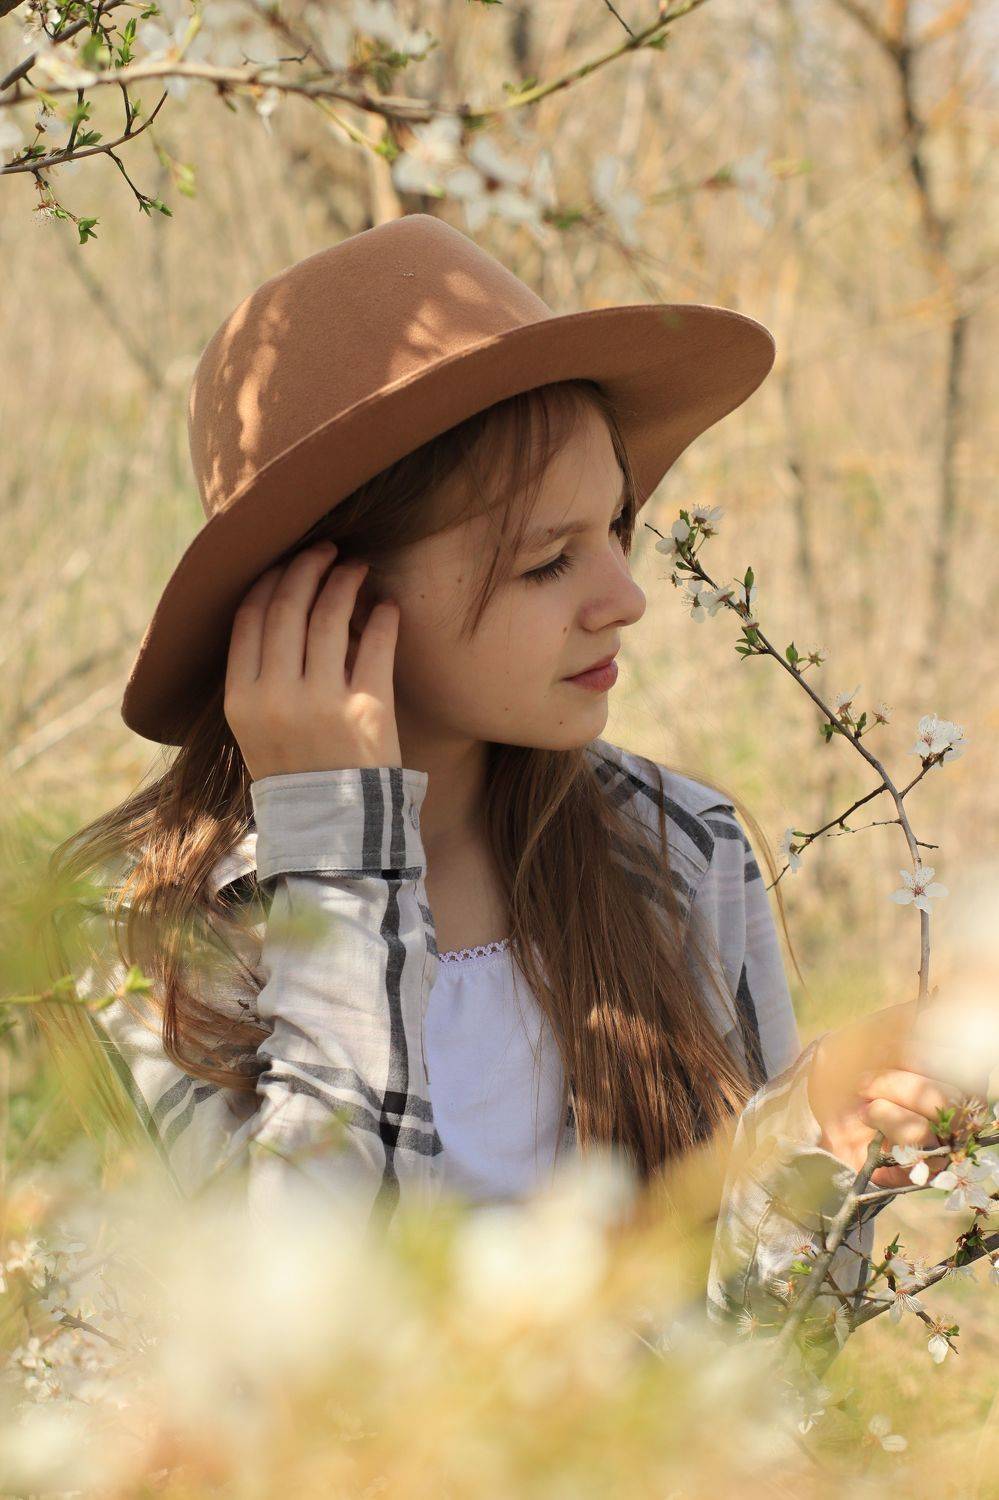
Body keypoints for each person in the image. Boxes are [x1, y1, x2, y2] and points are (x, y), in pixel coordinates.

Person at [46, 216, 973, 1349]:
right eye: (546, 561)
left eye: (617, 527)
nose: (625, 597)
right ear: (326, 598)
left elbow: (757, 1356)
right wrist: (338, 860)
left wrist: (818, 1135)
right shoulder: (144, 927)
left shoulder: (677, 849)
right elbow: (286, 1344)